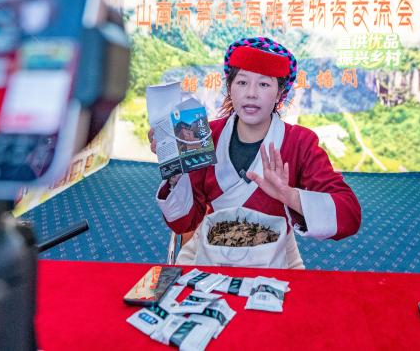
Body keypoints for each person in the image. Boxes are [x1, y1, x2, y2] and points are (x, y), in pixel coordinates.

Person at [150, 37, 361, 268]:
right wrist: (176, 174)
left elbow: (349, 214)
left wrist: (289, 195)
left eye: (264, 84)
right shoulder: (204, 135)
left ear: (280, 93)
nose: (251, 93)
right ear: (229, 88)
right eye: (242, 82)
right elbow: (183, 223)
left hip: (275, 260)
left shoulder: (299, 142)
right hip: (210, 256)